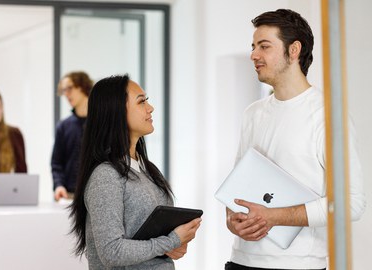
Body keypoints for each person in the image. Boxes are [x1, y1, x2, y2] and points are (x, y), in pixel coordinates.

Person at [224, 9, 366, 270]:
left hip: (298, 265)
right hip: (240, 261)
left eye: (264, 46)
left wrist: (274, 217)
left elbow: (351, 203)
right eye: (253, 46)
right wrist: (232, 219)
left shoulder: (328, 116)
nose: (254, 55)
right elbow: (236, 189)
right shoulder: (252, 114)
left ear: (294, 50)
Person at [69, 74, 202, 269]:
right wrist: (171, 241)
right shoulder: (106, 176)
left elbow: (151, 240)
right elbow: (112, 252)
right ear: (116, 112)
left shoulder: (145, 168)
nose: (150, 108)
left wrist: (173, 245)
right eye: (141, 102)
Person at [51, 71, 93, 201]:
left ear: (83, 86)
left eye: (69, 88)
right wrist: (58, 186)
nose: (66, 94)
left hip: (97, 194)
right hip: (69, 196)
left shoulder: (102, 123)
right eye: (63, 90)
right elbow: (56, 163)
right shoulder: (63, 126)